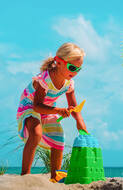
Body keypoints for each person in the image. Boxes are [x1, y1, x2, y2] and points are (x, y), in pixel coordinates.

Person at [16, 42, 88, 181]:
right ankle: (25, 175)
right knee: (36, 133)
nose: (74, 73)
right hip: (29, 106)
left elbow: (73, 105)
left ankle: (55, 176)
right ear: (59, 62)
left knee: (59, 136)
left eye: (78, 69)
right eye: (72, 67)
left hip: (48, 109)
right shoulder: (44, 79)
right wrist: (59, 110)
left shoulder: (69, 83)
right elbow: (37, 106)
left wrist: (79, 121)